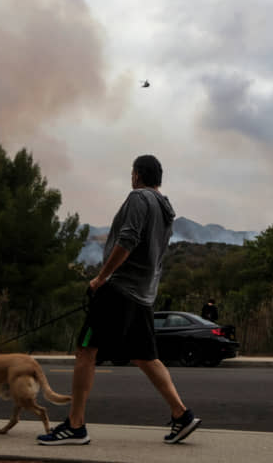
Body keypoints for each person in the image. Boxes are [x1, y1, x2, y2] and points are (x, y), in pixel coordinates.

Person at [38, 155, 201, 447]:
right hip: (143, 294)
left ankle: (75, 426)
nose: (131, 178)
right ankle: (181, 414)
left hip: (120, 290)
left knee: (86, 350)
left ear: (137, 175)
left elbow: (128, 239)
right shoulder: (167, 210)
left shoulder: (138, 198)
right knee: (145, 356)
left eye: (132, 173)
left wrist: (101, 278)